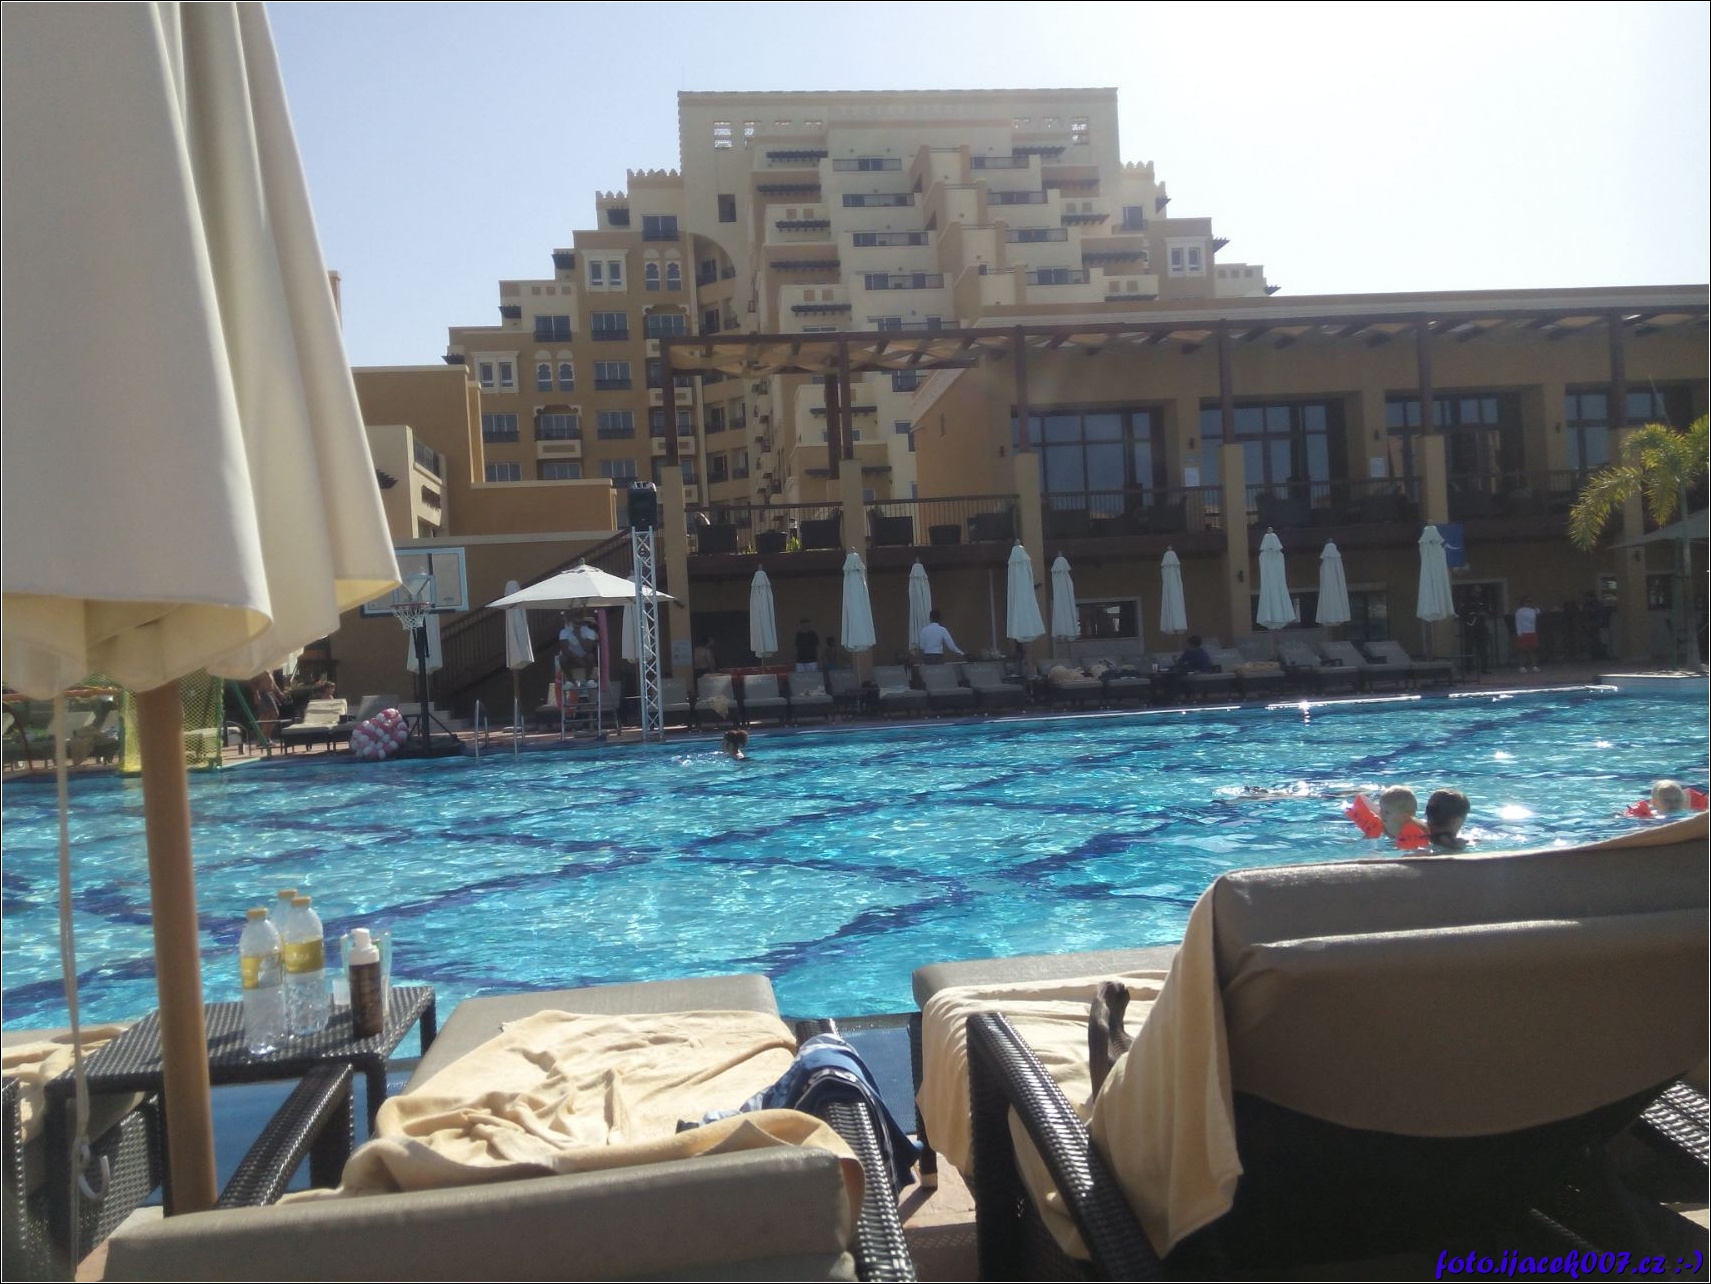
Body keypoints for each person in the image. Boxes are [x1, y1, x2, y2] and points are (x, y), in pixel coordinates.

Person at [1346, 784, 1430, 850]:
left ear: (1404, 816)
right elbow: (1364, 844)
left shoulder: (1416, 833)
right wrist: (1369, 835)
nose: (1381, 814)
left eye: (1387, 812)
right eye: (1381, 809)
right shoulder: (1386, 820)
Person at [1626, 779, 1709, 818]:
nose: (1673, 803)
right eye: (1667, 800)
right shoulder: (1653, 816)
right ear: (1654, 802)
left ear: (1683, 800)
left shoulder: (1690, 813)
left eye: (1677, 800)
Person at [559, 613, 597, 683]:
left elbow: (588, 649)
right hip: (571, 657)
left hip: (584, 656)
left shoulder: (589, 632)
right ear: (571, 622)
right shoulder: (564, 632)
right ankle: (570, 680)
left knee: (591, 656)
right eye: (575, 622)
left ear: (583, 623)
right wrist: (577, 659)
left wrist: (579, 636)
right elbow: (565, 650)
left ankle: (588, 678)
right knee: (562, 658)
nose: (578, 625)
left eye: (580, 623)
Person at [1513, 596, 1540, 673]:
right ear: (1522, 602)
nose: (1528, 603)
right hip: (1524, 632)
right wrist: (1519, 633)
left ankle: (1534, 666)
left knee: (1532, 650)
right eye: (1527, 601)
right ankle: (1521, 666)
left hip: (1532, 631)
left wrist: (1534, 606)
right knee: (1522, 650)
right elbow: (1518, 622)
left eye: (1530, 601)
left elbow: (1538, 611)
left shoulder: (1533, 610)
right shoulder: (1519, 611)